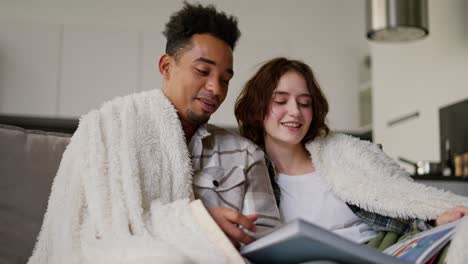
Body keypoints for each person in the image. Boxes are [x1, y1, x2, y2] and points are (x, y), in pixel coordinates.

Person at [28, 3, 279, 263]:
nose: (215, 88)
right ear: (166, 67)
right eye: (202, 71)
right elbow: (87, 229)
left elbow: (270, 243)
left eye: (225, 79)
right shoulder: (108, 129)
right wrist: (197, 224)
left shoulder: (245, 154)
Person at [234, 57, 468, 260]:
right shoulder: (250, 175)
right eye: (281, 100)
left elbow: (403, 204)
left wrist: (435, 223)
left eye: (304, 103)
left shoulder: (345, 155)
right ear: (258, 107)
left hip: (387, 252)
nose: (295, 111)